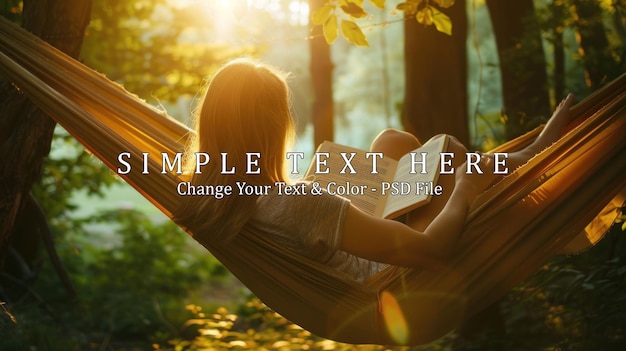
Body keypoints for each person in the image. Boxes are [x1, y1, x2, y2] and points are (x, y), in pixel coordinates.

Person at [174, 58, 574, 283]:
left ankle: (525, 158)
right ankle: (533, 159)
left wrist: (325, 198)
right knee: (446, 152)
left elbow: (295, 220)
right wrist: (466, 191)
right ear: (273, 124)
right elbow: (432, 251)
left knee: (392, 143)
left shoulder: (209, 196)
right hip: (389, 275)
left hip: (347, 237)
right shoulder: (297, 202)